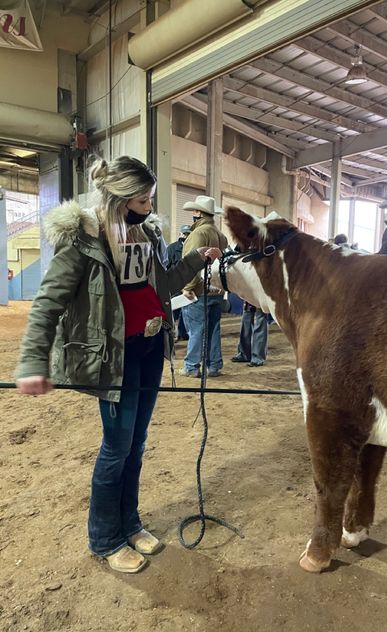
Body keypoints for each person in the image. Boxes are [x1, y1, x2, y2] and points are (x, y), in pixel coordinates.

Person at [15, 156, 222, 574]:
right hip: (114, 357)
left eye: (149, 195)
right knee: (116, 447)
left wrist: (198, 259)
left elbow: (160, 282)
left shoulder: (145, 232)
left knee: (137, 443)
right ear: (121, 197)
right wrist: (33, 361)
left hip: (148, 350)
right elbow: (48, 303)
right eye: (143, 196)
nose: (150, 201)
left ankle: (129, 522)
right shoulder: (84, 238)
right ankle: (105, 537)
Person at [179, 195, 228, 378]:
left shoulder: (198, 234)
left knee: (197, 329)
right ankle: (214, 365)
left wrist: (188, 286)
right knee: (213, 329)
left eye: (194, 211)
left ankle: (191, 366)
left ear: (198, 212)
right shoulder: (221, 236)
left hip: (199, 291)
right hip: (217, 290)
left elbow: (192, 263)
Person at [167, 224, 192, 341]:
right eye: (184, 233)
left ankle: (183, 332)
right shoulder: (172, 248)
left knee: (186, 310)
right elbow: (166, 266)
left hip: (188, 284)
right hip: (175, 284)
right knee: (175, 311)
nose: (186, 236)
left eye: (188, 234)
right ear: (180, 234)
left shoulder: (192, 248)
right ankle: (174, 333)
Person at [231, 301, 269, 367]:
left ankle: (257, 357)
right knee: (246, 315)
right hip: (249, 294)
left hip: (262, 294)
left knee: (260, 316)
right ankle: (244, 354)